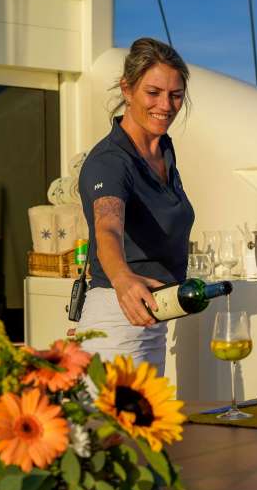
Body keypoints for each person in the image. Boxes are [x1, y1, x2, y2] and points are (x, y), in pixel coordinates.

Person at [76, 37, 194, 375]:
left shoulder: (162, 151)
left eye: (175, 95)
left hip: (152, 320)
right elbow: (107, 227)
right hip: (117, 318)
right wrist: (122, 277)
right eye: (153, 92)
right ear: (127, 89)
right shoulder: (111, 161)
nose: (166, 105)